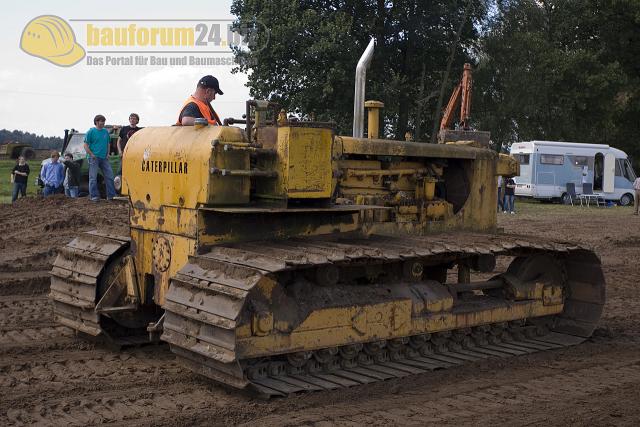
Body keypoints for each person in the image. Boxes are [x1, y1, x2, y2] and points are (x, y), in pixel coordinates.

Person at [84, 114, 116, 201]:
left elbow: (108, 143)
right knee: (93, 178)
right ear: (96, 122)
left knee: (109, 176)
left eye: (104, 121)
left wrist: (108, 153)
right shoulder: (91, 132)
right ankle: (94, 196)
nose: (103, 123)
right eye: (101, 121)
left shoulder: (105, 132)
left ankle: (111, 196)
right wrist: (91, 154)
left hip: (104, 158)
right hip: (94, 158)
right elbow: (85, 144)